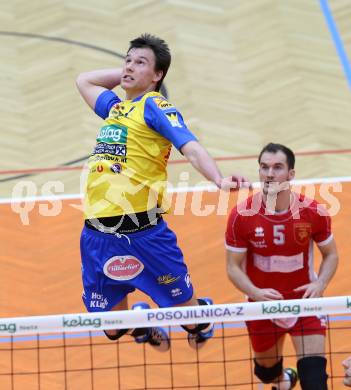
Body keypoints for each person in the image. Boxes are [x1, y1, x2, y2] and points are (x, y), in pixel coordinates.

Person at [76, 33, 248, 352]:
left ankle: (201, 319)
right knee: (112, 330)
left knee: (189, 318)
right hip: (98, 238)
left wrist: (219, 180)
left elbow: (191, 147)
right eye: (126, 60)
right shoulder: (114, 109)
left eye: (140, 62)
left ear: (158, 75)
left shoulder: (154, 106)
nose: (128, 66)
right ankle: (142, 323)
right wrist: (130, 72)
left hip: (146, 238)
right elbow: (83, 80)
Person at [225, 143, 339, 389]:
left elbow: (331, 255)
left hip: (304, 303)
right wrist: (255, 294)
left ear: (291, 174)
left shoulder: (313, 211)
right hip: (262, 305)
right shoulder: (241, 215)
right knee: (266, 373)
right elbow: (232, 267)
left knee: (315, 381)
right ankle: (284, 381)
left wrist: (320, 283)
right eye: (264, 167)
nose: (269, 173)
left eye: (277, 167)